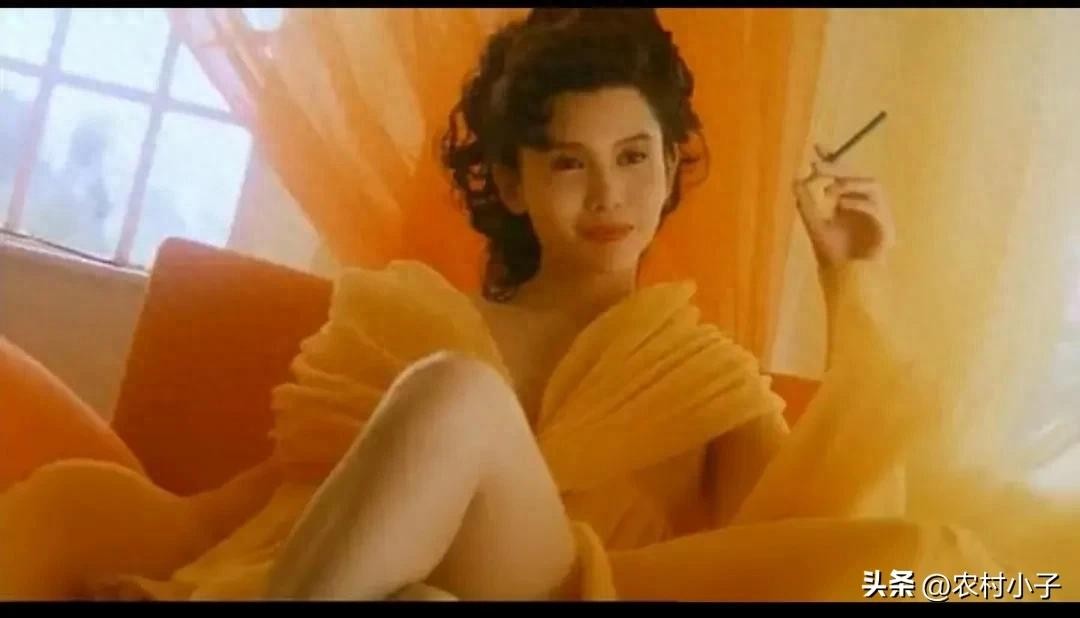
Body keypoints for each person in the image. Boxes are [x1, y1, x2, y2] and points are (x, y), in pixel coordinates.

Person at [1, 8, 1077, 602]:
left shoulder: (699, 372)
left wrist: (851, 280)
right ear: (511, 184)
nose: (608, 195)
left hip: (563, 590)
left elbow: (817, 538)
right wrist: (177, 556)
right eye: (569, 162)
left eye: (635, 157)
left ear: (670, 169)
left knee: (459, 399)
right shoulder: (399, 319)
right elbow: (290, 500)